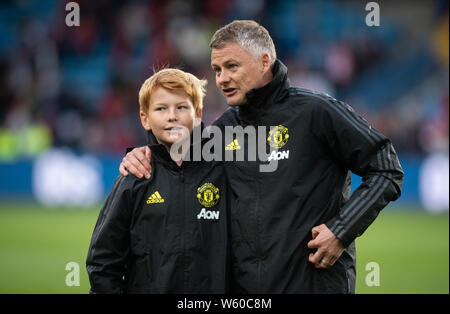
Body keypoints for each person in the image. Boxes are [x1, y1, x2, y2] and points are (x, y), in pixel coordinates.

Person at [120, 20, 404, 293]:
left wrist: (341, 230)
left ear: (264, 62)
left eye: (232, 66)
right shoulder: (224, 129)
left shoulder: (316, 113)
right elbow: (176, 159)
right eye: (217, 69)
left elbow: (386, 168)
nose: (222, 79)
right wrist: (140, 154)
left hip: (314, 284)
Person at [86, 68, 230, 293]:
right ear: (145, 118)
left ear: (199, 113)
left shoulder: (224, 172)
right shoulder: (133, 179)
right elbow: (103, 263)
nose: (172, 116)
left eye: (181, 107)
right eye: (161, 108)